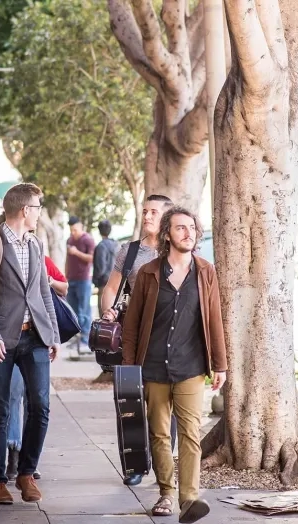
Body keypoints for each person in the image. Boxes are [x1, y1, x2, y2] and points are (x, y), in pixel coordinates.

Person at [121, 206, 228, 522]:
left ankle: (189, 498)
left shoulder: (205, 272)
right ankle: (166, 493)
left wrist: (220, 365)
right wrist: (129, 367)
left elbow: (214, 319)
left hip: (191, 367)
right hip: (153, 366)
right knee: (159, 434)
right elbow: (132, 324)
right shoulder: (148, 273)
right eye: (181, 228)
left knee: (190, 434)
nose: (188, 233)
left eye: (192, 228)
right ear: (167, 234)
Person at [0, 183, 60, 505]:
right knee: (0, 411)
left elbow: (43, 292)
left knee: (41, 406)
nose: (39, 213)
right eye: (37, 208)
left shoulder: (35, 244)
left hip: (34, 337)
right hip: (1, 341)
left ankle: (26, 473)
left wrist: (52, 334)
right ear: (25, 210)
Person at [100, 194, 176, 486]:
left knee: (166, 405)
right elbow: (111, 287)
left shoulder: (178, 250)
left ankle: (163, 466)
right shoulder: (129, 252)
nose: (147, 217)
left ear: (167, 217)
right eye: (145, 211)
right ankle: (134, 466)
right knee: (131, 401)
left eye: (154, 212)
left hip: (169, 338)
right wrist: (108, 311)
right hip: (133, 338)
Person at [65, 216, 95, 354]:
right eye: (71, 230)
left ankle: (85, 339)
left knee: (84, 311)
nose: (73, 233)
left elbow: (92, 258)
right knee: (73, 312)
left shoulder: (88, 240)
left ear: (81, 227)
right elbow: (68, 259)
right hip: (71, 279)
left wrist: (76, 252)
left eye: (75, 230)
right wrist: (65, 275)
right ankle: (76, 340)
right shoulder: (69, 240)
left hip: (84, 280)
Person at [92, 219, 118, 302]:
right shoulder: (117, 245)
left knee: (104, 308)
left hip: (104, 283)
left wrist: (95, 279)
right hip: (117, 282)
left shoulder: (101, 246)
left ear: (99, 231)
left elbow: (101, 268)